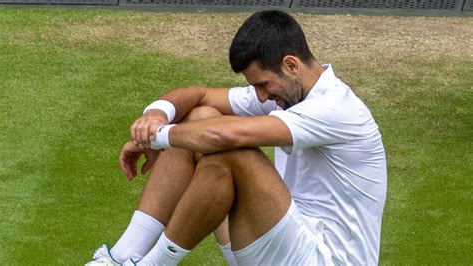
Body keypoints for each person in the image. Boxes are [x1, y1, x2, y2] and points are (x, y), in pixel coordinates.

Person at [86, 10, 387, 265]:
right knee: (200, 118)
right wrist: (155, 118)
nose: (261, 95)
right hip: (279, 241)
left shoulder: (337, 108)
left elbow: (227, 135)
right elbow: (199, 95)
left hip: (324, 259)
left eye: (263, 84)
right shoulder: (285, 91)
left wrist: (157, 139)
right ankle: (120, 256)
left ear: (291, 65)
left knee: (230, 149)